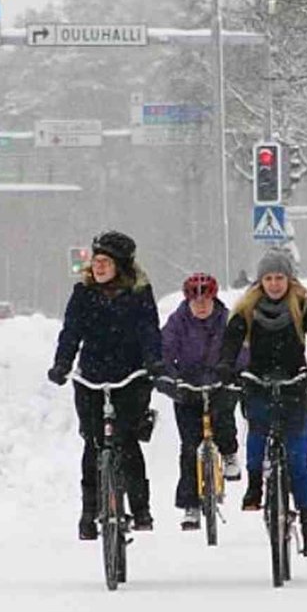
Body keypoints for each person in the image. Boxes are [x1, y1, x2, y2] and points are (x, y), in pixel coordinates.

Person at [216, 248, 307, 557]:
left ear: (289, 279)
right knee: (257, 437)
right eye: (268, 278)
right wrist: (225, 366)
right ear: (260, 282)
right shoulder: (248, 307)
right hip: (258, 380)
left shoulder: (301, 304)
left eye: (280, 278)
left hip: (294, 384)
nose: (274, 284)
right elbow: (231, 341)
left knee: (298, 459)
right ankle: (256, 484)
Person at [48, 230, 164, 541]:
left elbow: (150, 332)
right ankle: (89, 511)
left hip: (131, 376)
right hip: (92, 377)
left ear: (121, 266)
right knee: (94, 442)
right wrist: (62, 364)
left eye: (106, 262)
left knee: (126, 441)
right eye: (96, 261)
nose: (98, 267)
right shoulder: (83, 294)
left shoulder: (138, 294)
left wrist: (155, 363)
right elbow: (71, 332)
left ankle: (140, 509)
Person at [157, 272, 244, 530]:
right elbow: (164, 353)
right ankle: (190, 505)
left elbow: (241, 349)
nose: (201, 305)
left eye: (205, 299)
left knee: (223, 418)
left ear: (214, 298)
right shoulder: (177, 322)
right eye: (195, 301)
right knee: (189, 446)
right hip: (188, 385)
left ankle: (228, 453)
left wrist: (234, 373)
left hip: (220, 380)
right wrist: (170, 380)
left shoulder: (227, 321)